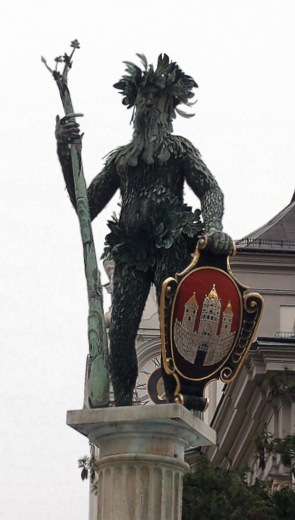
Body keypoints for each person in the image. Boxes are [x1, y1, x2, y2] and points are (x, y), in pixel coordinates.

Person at [56, 54, 232, 406]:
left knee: (171, 328)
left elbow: (210, 189)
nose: (148, 104)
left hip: (171, 242)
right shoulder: (122, 159)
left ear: (168, 107)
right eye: (142, 98)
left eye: (155, 98)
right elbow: (84, 207)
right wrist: (65, 153)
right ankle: (122, 403)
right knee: (120, 333)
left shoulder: (179, 150)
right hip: (131, 248)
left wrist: (214, 225)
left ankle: (176, 396)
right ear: (134, 107)